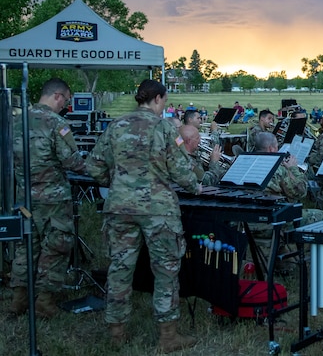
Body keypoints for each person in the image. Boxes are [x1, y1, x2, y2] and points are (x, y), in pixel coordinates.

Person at [86, 80, 200, 351]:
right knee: (165, 271)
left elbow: (93, 166)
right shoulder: (163, 127)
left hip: (120, 208)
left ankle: (116, 333)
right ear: (158, 99)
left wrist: (115, 183)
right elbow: (181, 171)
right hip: (158, 210)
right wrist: (195, 186)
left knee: (120, 269)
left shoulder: (116, 125)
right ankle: (168, 336)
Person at [9, 78, 87, 318]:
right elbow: (71, 162)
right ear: (58, 96)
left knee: (25, 247)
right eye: (66, 100)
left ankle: (18, 300)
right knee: (55, 248)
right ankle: (44, 301)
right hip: (53, 199)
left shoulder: (16, 121)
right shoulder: (57, 124)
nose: (66, 105)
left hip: (23, 197)